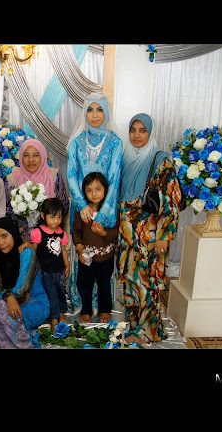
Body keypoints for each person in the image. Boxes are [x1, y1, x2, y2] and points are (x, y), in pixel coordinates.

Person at [118, 113, 182, 344]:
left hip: (150, 237)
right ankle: (135, 324)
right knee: (131, 280)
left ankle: (148, 331)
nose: (137, 135)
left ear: (151, 133)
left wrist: (164, 236)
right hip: (128, 238)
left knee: (148, 281)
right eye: (133, 130)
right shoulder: (125, 158)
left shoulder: (162, 161)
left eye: (142, 130)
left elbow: (171, 201)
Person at [67, 91, 123, 312]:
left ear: (107, 112)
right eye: (90, 109)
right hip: (81, 209)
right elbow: (71, 174)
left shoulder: (115, 142)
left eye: (99, 109)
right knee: (84, 257)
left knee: (103, 259)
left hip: (105, 208)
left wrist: (103, 211)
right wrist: (83, 205)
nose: (95, 114)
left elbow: (115, 178)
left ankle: (104, 305)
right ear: (84, 113)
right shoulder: (76, 142)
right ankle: (84, 304)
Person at [0, 217, 50, 348]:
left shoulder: (26, 252)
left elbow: (22, 290)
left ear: (13, 234)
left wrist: (7, 296)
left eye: (4, 236)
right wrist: (7, 296)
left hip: (34, 303)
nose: (1, 242)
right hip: (9, 301)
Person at [73, 172, 119, 324]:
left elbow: (117, 232)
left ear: (105, 189)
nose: (94, 194)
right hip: (86, 256)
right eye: (89, 190)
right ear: (84, 192)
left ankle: (104, 309)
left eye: (98, 189)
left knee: (104, 284)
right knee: (85, 284)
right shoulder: (82, 211)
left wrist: (104, 233)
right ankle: (86, 310)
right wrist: (80, 249)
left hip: (105, 257)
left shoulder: (110, 210)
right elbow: (76, 231)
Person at [5, 138, 70, 242]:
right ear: (21, 157)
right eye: (26, 155)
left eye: (36, 155)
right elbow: (8, 211)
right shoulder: (11, 179)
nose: (31, 160)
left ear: (43, 156)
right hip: (21, 237)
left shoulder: (54, 175)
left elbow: (64, 205)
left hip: (50, 235)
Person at [29, 198, 70, 332]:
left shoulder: (62, 233)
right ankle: (54, 319)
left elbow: (63, 250)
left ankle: (62, 314)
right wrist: (27, 247)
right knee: (51, 294)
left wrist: (67, 265)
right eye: (52, 217)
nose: (56, 221)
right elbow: (33, 250)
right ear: (43, 215)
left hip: (60, 270)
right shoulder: (38, 232)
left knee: (61, 292)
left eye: (59, 217)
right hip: (46, 271)